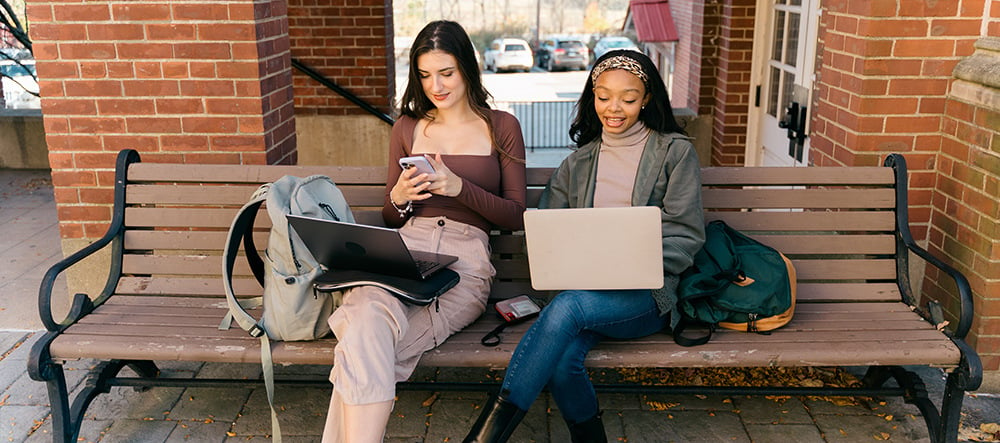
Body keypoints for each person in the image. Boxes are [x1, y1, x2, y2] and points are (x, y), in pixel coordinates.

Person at [464, 50, 705, 443]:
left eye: (628, 99)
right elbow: (544, 235)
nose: (615, 108)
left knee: (568, 306)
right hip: (584, 295)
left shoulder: (674, 152)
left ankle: (483, 439)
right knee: (561, 362)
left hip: (646, 296)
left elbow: (685, 235)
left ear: (646, 98)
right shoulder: (576, 164)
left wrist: (637, 263)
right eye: (604, 96)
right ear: (592, 97)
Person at [322, 20, 527, 443]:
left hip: (465, 263)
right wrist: (398, 197)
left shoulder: (501, 126)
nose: (436, 85)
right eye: (425, 74)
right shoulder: (407, 128)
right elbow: (392, 218)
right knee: (366, 320)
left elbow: (516, 215)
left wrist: (460, 188)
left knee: (360, 350)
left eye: (446, 72)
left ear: (467, 69)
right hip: (404, 250)